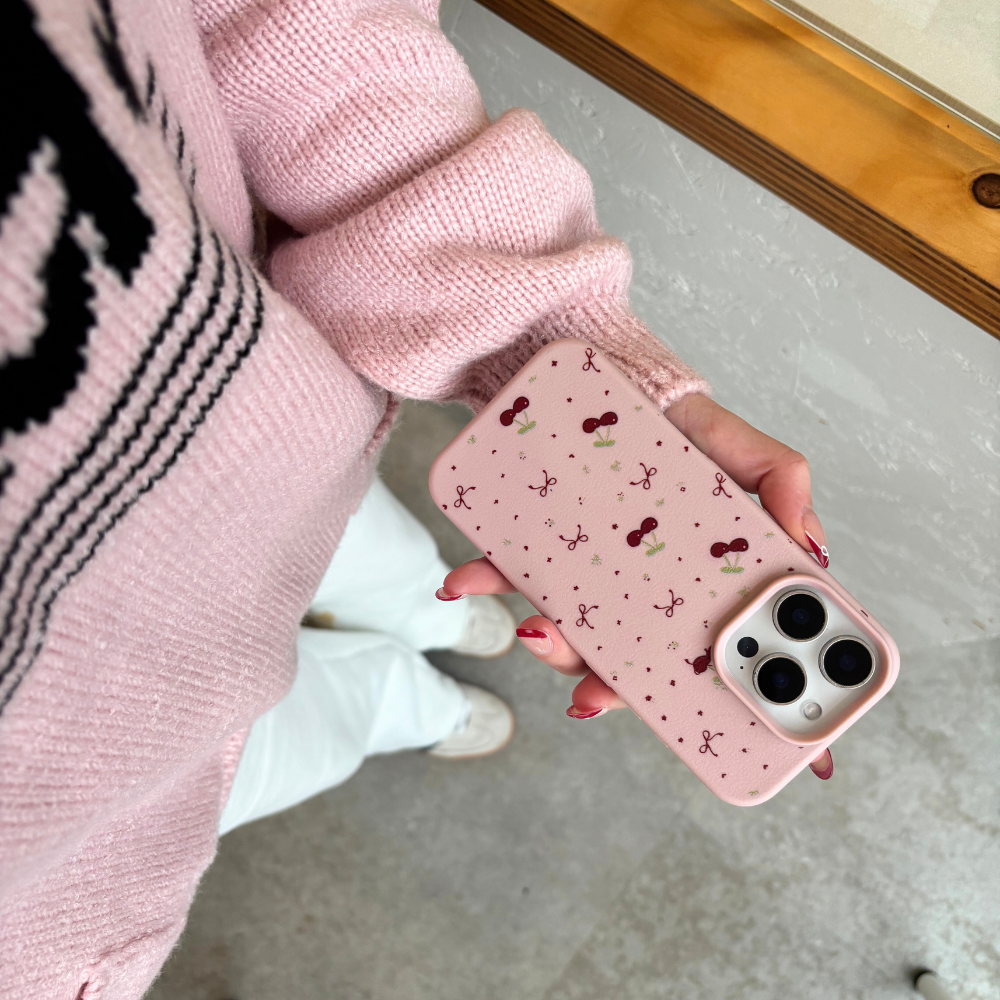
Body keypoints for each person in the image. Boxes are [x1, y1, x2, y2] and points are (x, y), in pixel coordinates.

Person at [0, 0, 828, 995]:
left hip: (272, 448)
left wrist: (555, 354)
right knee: (323, 725)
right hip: (103, 821)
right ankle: (411, 703)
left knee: (396, 567)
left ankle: (432, 626)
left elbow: (282, 24)